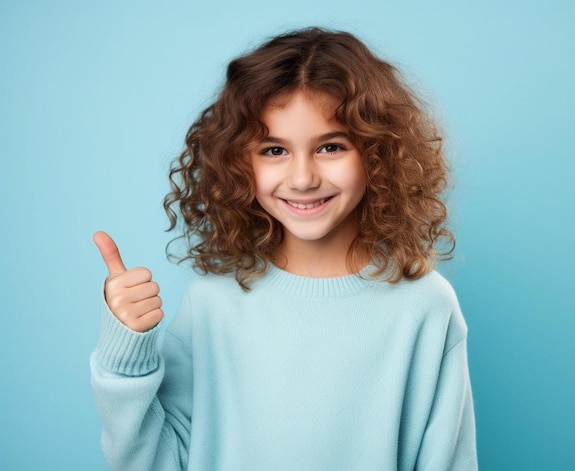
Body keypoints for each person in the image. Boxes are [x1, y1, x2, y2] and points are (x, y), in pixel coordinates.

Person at [91, 27, 478, 470]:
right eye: (274, 150)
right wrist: (126, 356)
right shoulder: (213, 303)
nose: (302, 178)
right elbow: (154, 460)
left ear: (376, 154)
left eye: (330, 146)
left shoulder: (425, 307)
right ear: (239, 161)